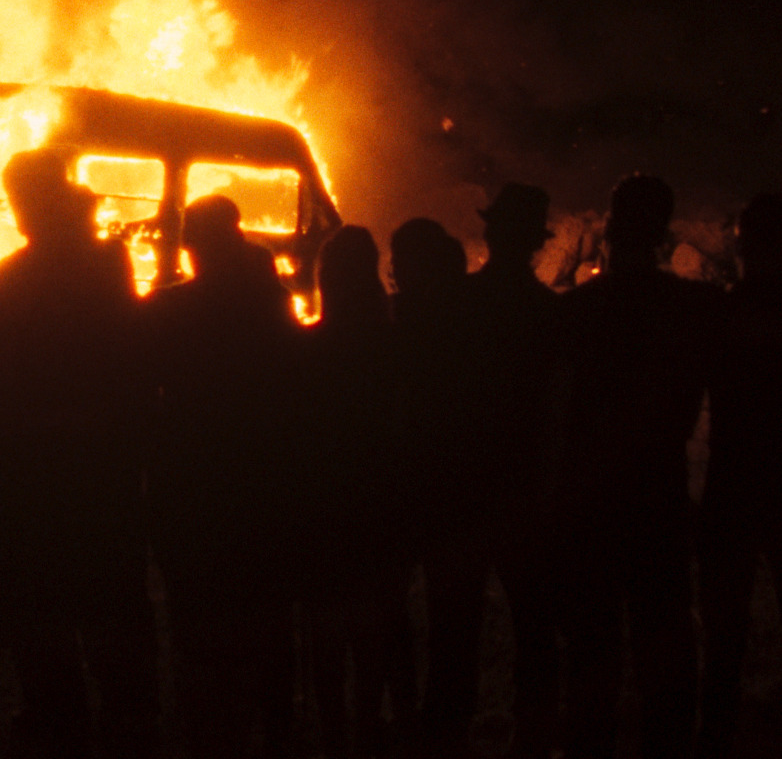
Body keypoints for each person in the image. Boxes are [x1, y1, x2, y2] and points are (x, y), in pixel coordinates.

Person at [0, 148, 155, 758]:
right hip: (93, 458)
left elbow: (2, 372)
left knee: (50, 593)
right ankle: (120, 715)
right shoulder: (105, 262)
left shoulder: (17, 276)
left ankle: (66, 714)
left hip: (48, 460)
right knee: (102, 591)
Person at [554, 175, 724, 759]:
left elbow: (554, 409)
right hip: (657, 493)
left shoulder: (578, 312)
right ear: (661, 234)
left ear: (610, 228)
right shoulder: (691, 309)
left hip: (593, 500)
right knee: (664, 641)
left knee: (592, 647)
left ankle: (590, 744)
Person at [147, 194, 304, 757]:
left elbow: (143, 394)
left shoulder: (169, 310)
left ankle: (209, 726)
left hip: (193, 485)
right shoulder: (271, 302)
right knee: (265, 615)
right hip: (260, 481)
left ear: (192, 245)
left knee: (197, 619)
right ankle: (277, 725)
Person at [412, 188, 565, 759]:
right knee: (534, 628)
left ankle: (445, 739)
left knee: (453, 630)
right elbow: (557, 405)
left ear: (493, 236)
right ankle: (534, 737)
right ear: (535, 244)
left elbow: (430, 396)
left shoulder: (456, 303)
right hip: (520, 489)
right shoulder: (548, 312)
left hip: (462, 488)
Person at [697, 194, 782, 758]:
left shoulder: (719, 313)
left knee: (724, 627)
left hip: (735, 479)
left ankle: (717, 732)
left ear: (741, 244)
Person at [296, 224, 406, 759]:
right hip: (378, 498)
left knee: (324, 622)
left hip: (322, 500)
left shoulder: (306, 349)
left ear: (326, 280)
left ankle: (335, 726)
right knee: (373, 617)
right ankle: (366, 719)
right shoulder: (395, 348)